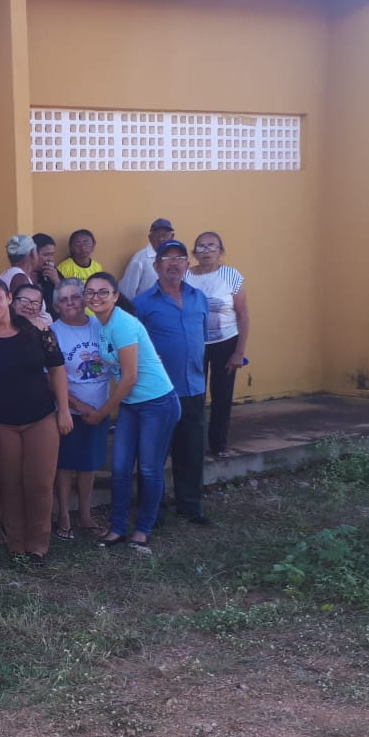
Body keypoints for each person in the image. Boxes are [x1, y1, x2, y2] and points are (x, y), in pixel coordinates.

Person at [0, 279, 72, 565]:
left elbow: (57, 369)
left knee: (40, 484)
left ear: (9, 298)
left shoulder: (37, 330)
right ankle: (16, 545)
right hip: (2, 424)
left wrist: (64, 410)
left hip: (41, 418)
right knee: (10, 485)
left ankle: (38, 545)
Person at [82, 272, 181, 551]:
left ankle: (143, 528)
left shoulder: (122, 323)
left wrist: (101, 413)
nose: (96, 297)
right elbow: (112, 365)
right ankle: (117, 528)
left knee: (149, 469)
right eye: (90, 292)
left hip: (157, 403)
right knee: (120, 468)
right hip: (132, 404)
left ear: (115, 296)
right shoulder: (102, 324)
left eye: (103, 292)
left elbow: (129, 377)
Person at [134, 241, 211, 525]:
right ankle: (152, 511)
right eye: (167, 258)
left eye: (179, 258)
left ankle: (190, 506)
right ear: (156, 267)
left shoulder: (199, 298)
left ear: (187, 265)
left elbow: (202, 338)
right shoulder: (142, 303)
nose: (174, 263)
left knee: (191, 450)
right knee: (153, 454)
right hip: (159, 392)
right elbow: (135, 348)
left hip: (193, 387)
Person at [50, 278, 110, 538]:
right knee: (65, 464)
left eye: (75, 297)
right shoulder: (53, 332)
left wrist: (101, 409)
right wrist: (79, 405)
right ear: (56, 306)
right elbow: (50, 377)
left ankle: (85, 514)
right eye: (64, 300)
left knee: (89, 464)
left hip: (100, 410)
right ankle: (64, 514)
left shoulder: (101, 325)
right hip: (69, 411)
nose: (71, 303)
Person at [185, 232, 250, 458]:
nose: (206, 251)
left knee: (222, 394)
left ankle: (218, 445)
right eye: (201, 247)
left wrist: (239, 352)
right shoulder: (185, 275)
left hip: (226, 342)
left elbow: (242, 314)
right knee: (193, 394)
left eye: (211, 246)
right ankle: (191, 444)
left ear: (221, 251)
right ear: (194, 253)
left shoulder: (231, 275)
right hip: (194, 344)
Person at [119, 218, 175, 300]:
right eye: (157, 235)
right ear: (150, 238)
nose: (161, 239)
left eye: (164, 235)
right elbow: (127, 291)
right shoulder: (140, 260)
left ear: (172, 237)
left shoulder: (176, 259)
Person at [32, 232, 61, 311]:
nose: (50, 259)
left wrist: (56, 281)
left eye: (52, 254)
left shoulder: (53, 271)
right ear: (33, 254)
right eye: (46, 255)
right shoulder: (24, 274)